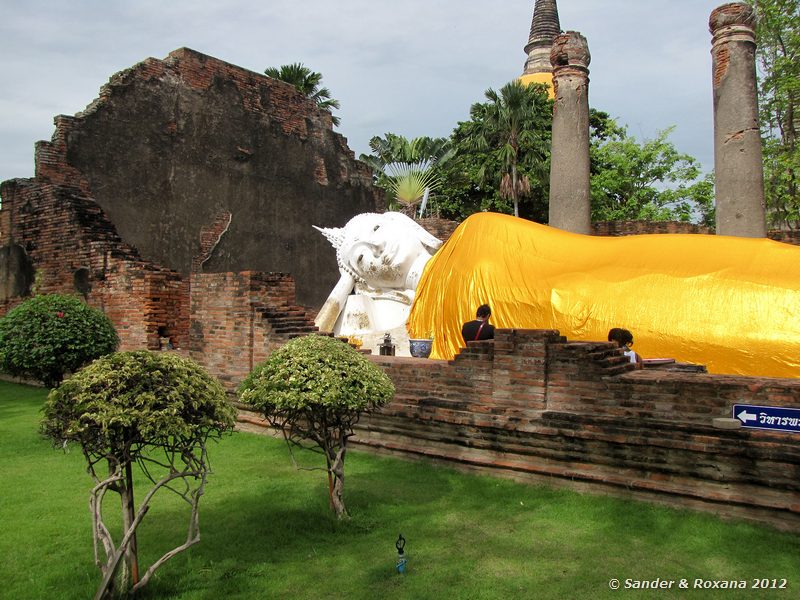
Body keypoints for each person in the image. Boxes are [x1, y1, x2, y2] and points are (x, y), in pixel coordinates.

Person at [406, 212, 800, 377]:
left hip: (583, 269)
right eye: (361, 259)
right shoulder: (436, 297)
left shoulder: (478, 229)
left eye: (379, 236)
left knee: (732, 273)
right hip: (575, 296)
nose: (376, 256)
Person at [314, 211, 442, 355]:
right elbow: (312, 343)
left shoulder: (467, 236)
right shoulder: (410, 316)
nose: (377, 246)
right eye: (361, 257)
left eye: (376, 229)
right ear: (366, 283)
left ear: (401, 222)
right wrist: (346, 280)